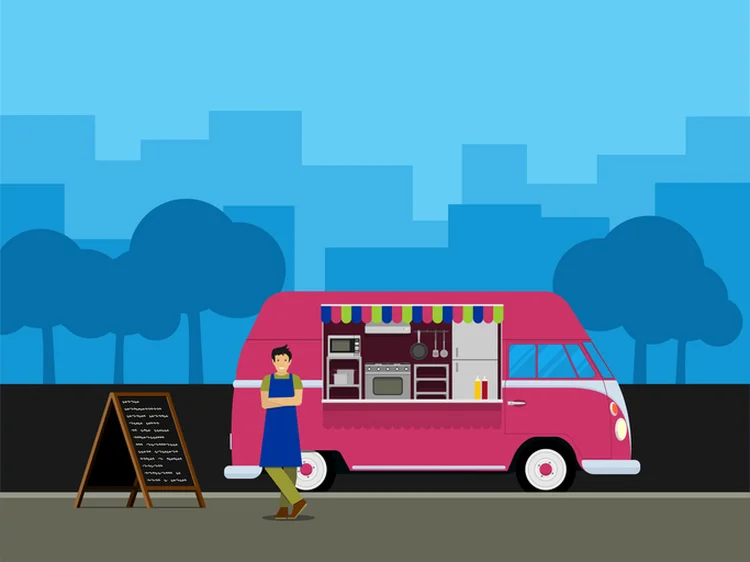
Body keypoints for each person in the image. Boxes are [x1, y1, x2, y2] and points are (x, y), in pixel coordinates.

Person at [259, 344, 307, 520]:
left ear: (290, 361)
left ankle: (283, 508)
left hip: (289, 424)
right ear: (273, 361)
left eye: (284, 360)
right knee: (271, 465)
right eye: (278, 360)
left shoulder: (296, 379)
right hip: (272, 424)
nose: (281, 363)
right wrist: (287, 401)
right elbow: (264, 404)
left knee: (290, 466)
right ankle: (297, 500)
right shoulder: (267, 380)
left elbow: (298, 400)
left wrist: (275, 401)